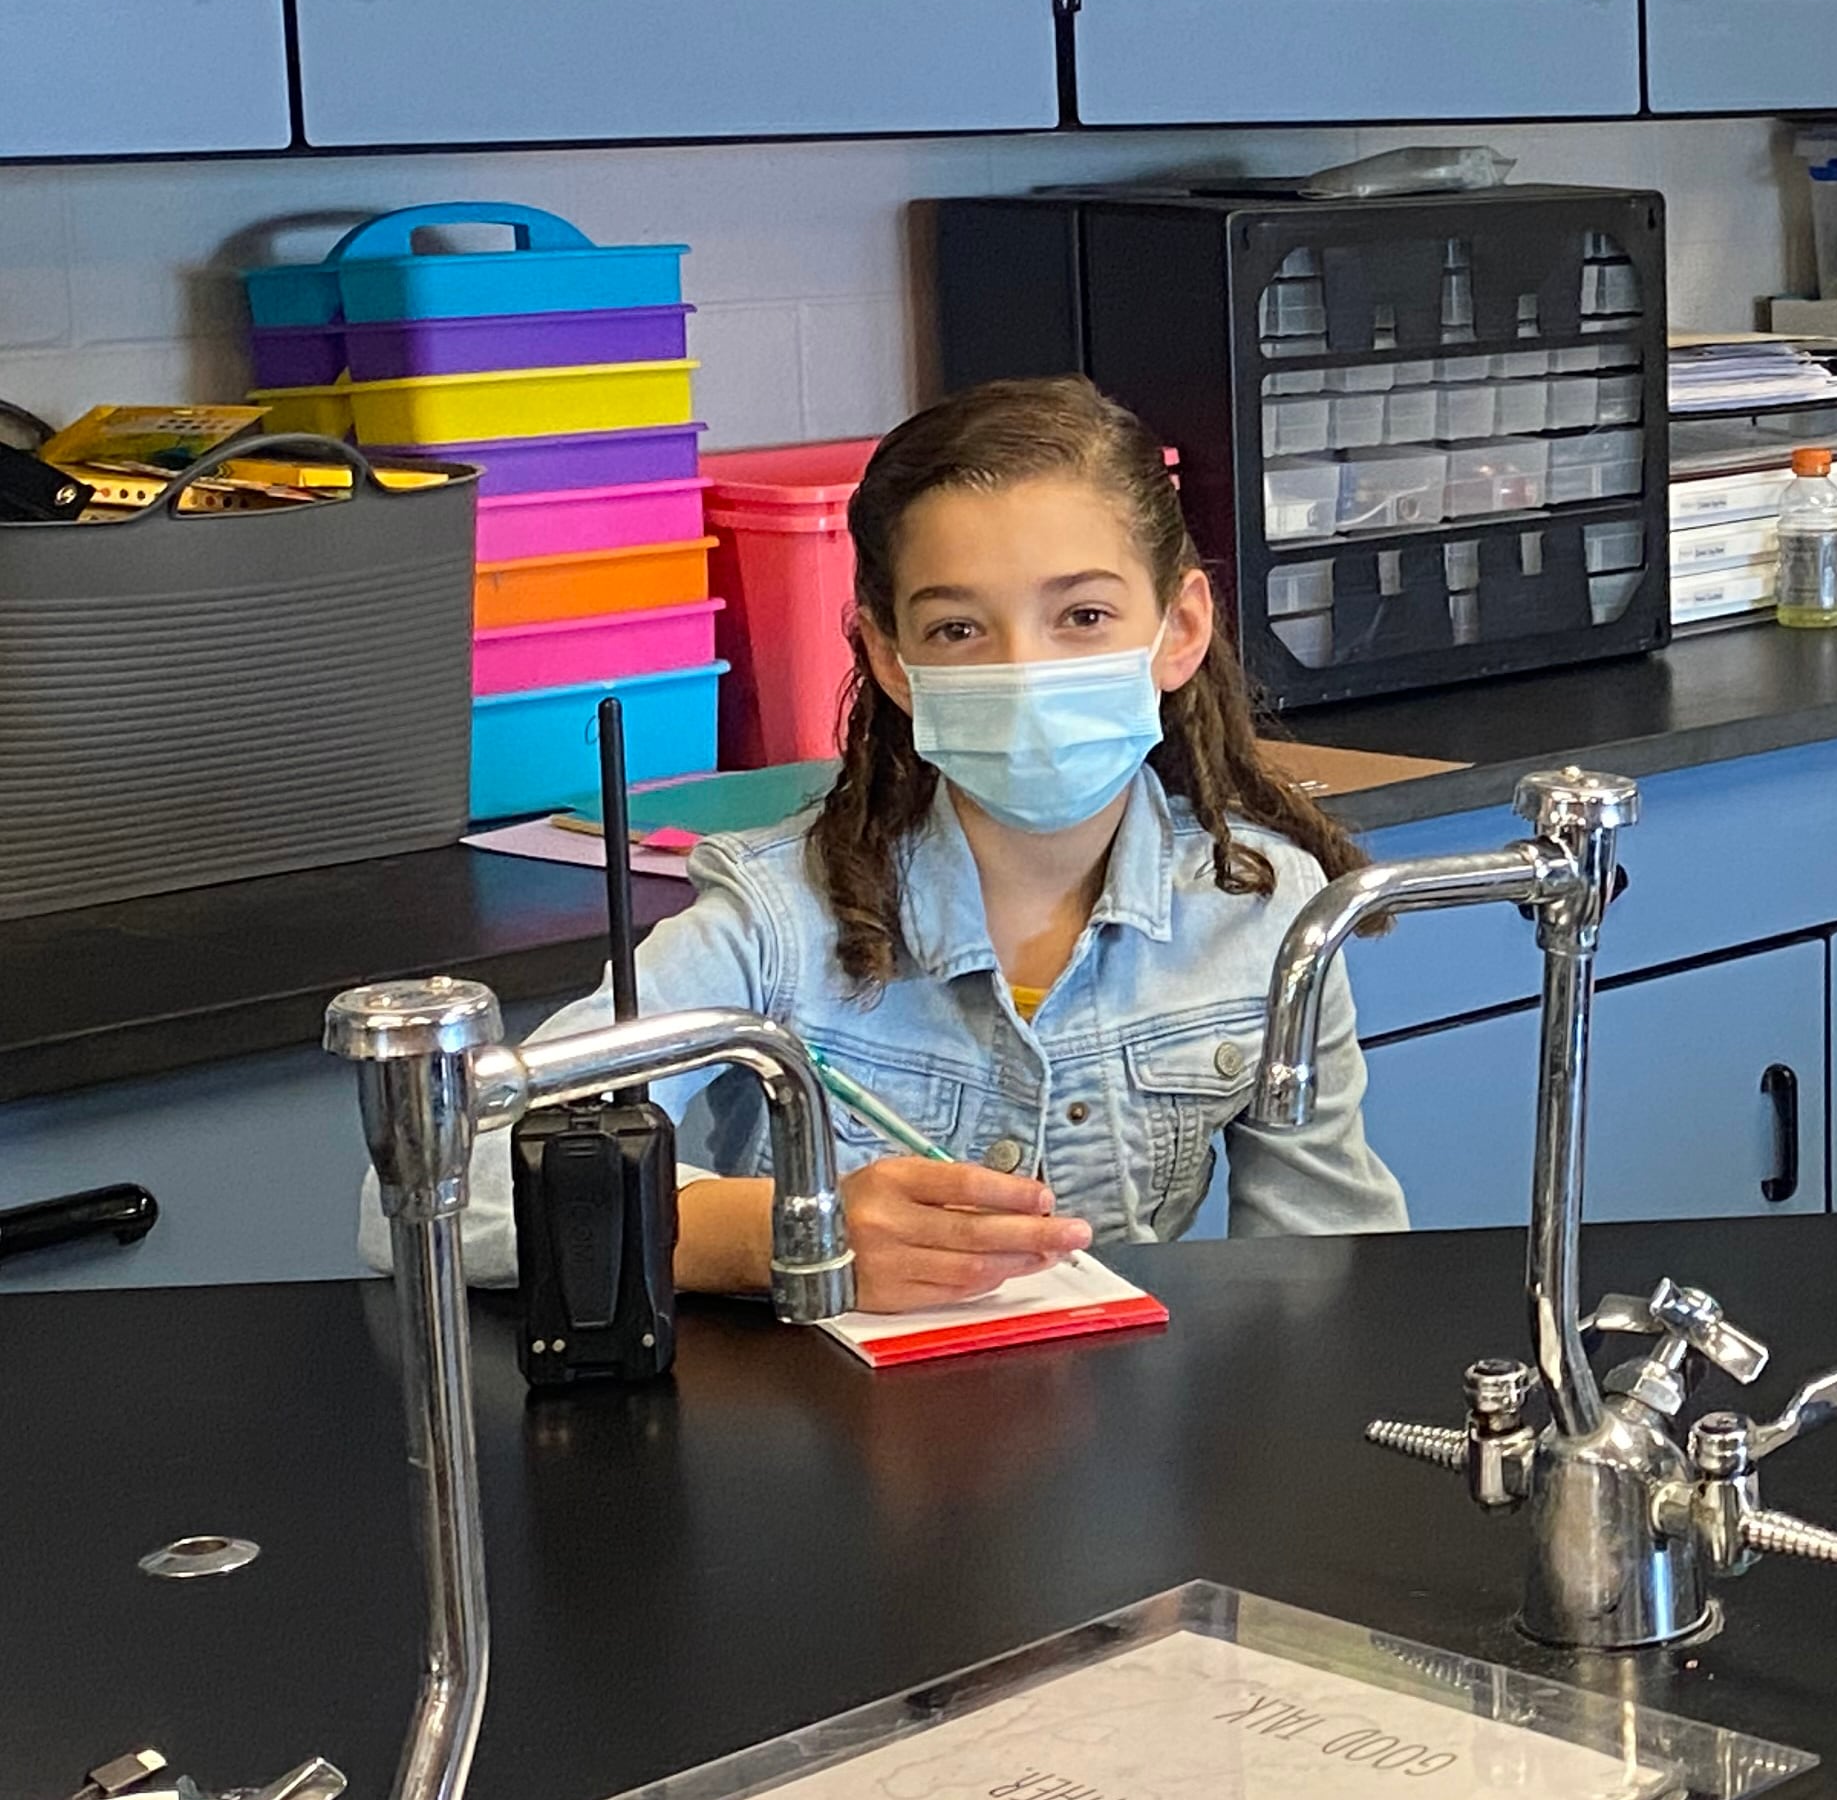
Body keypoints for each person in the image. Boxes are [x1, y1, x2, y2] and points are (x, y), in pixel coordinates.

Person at [362, 376, 1400, 1307]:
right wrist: (765, 1232)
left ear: (1177, 628)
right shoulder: (776, 925)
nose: (1024, 671)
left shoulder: (1266, 909)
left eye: (1082, 615)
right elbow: (428, 1186)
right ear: (892, 659)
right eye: (958, 629)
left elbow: (1328, 1262)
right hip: (831, 1457)